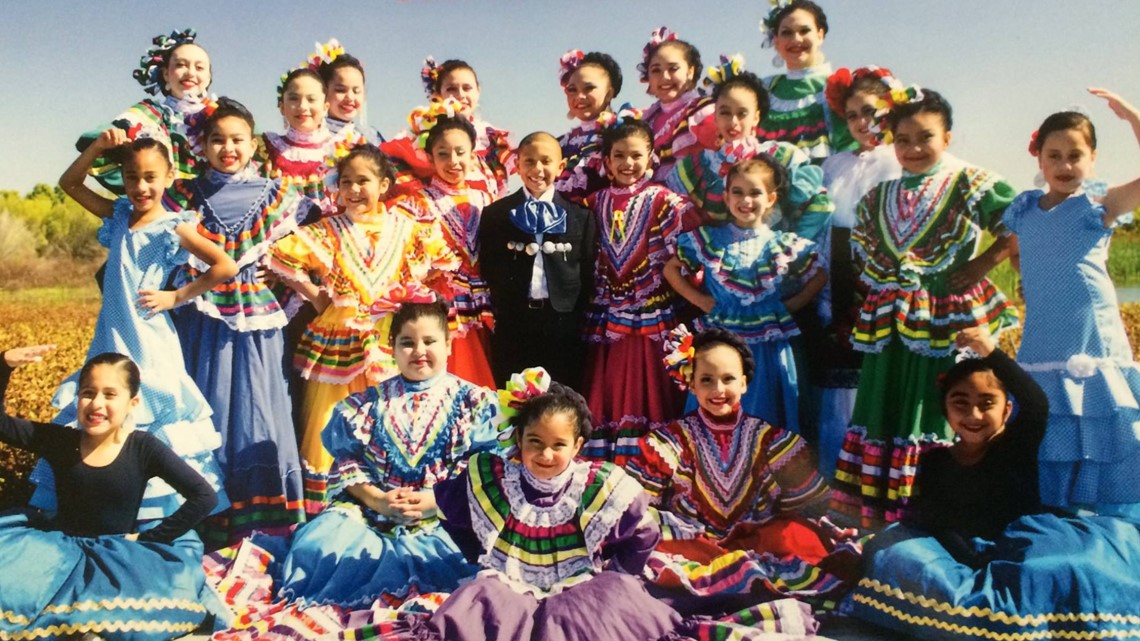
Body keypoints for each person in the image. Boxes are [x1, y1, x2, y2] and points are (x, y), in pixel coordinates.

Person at [847, 327, 1140, 640]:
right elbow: (935, 517)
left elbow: (1036, 402)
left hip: (1030, 540)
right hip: (964, 546)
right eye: (960, 403)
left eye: (987, 403)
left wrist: (990, 352)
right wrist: (968, 555)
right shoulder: (934, 461)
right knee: (892, 554)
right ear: (945, 409)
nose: (973, 414)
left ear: (1007, 410)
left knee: (1058, 568)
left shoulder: (1016, 446)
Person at [831, 88, 1019, 526]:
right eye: (903, 140)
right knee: (884, 402)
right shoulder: (879, 196)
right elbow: (862, 254)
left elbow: (1020, 225)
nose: (913, 149)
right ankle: (879, 511)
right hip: (891, 320)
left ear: (947, 138)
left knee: (938, 399)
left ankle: (943, 507)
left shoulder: (968, 183)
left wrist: (983, 262)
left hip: (943, 315)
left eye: (925, 137)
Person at [31, 130, 234, 520]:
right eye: (131, 177)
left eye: (150, 177)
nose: (141, 187)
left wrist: (176, 296)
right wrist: (98, 149)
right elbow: (69, 183)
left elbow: (224, 265)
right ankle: (94, 502)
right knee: (99, 405)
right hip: (111, 333)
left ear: (168, 177)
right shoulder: (120, 213)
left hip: (148, 338)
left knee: (150, 413)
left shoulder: (173, 226)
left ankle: (152, 512)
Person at [414, 368, 680, 641]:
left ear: (576, 446)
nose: (546, 454)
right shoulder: (496, 480)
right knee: (475, 615)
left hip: (582, 592)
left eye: (558, 444)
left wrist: (614, 572)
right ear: (519, 438)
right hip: (505, 589)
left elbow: (644, 531)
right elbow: (449, 509)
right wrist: (479, 551)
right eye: (535, 442)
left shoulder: (594, 485)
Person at [269, 144, 458, 515]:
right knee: (332, 416)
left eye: (363, 181)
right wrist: (315, 295)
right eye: (346, 182)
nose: (354, 190)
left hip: (390, 338)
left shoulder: (406, 227)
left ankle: (394, 496)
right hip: (340, 336)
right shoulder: (327, 230)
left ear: (384, 184)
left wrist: (410, 297)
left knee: (394, 412)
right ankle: (334, 505)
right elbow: (280, 256)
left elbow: (441, 263)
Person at [276, 300, 502, 607]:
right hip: (375, 513)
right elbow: (347, 464)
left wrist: (436, 501)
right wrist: (377, 500)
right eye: (407, 343)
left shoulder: (474, 403)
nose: (419, 351)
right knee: (322, 550)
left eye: (430, 341)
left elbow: (485, 468)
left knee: (471, 559)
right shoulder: (368, 404)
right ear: (391, 348)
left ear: (448, 345)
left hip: (447, 510)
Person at [629, 328, 860, 614]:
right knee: (651, 547)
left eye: (728, 379)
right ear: (691, 385)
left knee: (798, 537)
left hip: (758, 538)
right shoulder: (669, 443)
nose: (718, 390)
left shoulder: (771, 440)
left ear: (745, 383)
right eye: (706, 380)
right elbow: (639, 504)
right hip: (694, 542)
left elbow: (802, 502)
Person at [0, 346, 219, 641]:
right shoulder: (60, 440)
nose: (96, 404)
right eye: (88, 393)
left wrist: (151, 539)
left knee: (133, 612)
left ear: (133, 402)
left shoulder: (143, 447)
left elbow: (204, 496)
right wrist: (4, 365)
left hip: (118, 556)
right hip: (57, 552)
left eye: (110, 394)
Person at [168, 99, 313, 539]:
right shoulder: (184, 194)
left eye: (237, 140)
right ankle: (207, 511)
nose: (227, 148)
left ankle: (267, 515)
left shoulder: (279, 196)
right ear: (203, 145)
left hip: (258, 318)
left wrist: (285, 271)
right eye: (217, 140)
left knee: (259, 408)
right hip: (201, 317)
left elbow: (323, 237)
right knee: (206, 403)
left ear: (253, 144)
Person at [1004, 89, 1140, 520]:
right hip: (1043, 335)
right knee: (1049, 423)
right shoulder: (1023, 210)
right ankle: (1055, 513)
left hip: (1090, 335)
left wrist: (1131, 116)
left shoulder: (1098, 204)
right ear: (1039, 160)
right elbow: (1019, 254)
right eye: (1055, 155)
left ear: (1093, 158)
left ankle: (1106, 516)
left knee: (1098, 421)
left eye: (1075, 155)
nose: (1065, 166)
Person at [665, 157, 826, 429]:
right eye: (738, 192)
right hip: (721, 341)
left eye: (755, 193)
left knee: (764, 409)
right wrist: (701, 300)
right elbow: (671, 270)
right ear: (726, 197)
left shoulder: (782, 244)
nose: (746, 200)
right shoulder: (711, 239)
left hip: (767, 346)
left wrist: (791, 305)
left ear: (771, 199)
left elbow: (820, 275)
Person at [580, 111, 694, 464]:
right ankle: (608, 456)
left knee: (649, 382)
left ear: (650, 157)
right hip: (607, 311)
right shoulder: (592, 203)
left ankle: (650, 461)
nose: (628, 163)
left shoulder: (665, 200)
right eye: (619, 156)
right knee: (609, 384)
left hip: (651, 310)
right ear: (607, 161)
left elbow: (688, 247)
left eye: (636, 155)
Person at [816, 66, 904, 478]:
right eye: (852, 115)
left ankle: (885, 471)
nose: (862, 123)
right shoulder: (833, 165)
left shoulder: (900, 158)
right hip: (840, 273)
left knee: (884, 369)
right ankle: (841, 472)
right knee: (842, 374)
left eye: (870, 111)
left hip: (885, 272)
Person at [665, 55, 833, 241]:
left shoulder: (781, 156)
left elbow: (821, 204)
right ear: (715, 116)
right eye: (725, 113)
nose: (733, 122)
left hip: (772, 262)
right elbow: (670, 211)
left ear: (756, 117)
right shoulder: (699, 165)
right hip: (717, 262)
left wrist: (794, 246)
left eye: (742, 113)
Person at [479, 132, 597, 390]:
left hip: (562, 326)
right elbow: (489, 266)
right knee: (514, 396)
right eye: (529, 162)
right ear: (517, 166)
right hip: (514, 323)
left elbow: (586, 271)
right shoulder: (496, 214)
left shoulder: (580, 215)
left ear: (561, 166)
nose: (538, 169)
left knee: (563, 396)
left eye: (546, 161)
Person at [392, 100, 497, 389]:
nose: (453, 161)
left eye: (461, 152)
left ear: (473, 156)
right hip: (444, 303)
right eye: (443, 153)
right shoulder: (417, 202)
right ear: (429, 157)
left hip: (484, 302)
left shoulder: (485, 198)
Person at [77, 28, 214, 196]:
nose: (191, 72)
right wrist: (137, 186)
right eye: (180, 65)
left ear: (208, 78)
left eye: (199, 67)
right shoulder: (146, 115)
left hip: (209, 214)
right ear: (165, 74)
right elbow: (95, 145)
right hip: (160, 215)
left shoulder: (220, 118)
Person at [756, 0, 855, 161]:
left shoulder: (841, 86)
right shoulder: (765, 90)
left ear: (820, 35)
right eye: (787, 32)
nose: (796, 39)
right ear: (776, 41)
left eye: (804, 30)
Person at [419, 57, 514, 198]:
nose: (460, 95)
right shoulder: (422, 134)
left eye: (467, 88)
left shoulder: (490, 136)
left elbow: (521, 164)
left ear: (478, 90)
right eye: (451, 89)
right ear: (438, 94)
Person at [257, 66, 338, 217]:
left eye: (311, 99)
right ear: (282, 107)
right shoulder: (266, 149)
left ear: (325, 107)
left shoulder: (340, 151)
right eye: (294, 98)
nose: (302, 106)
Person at [554, 50, 623, 204]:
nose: (579, 96)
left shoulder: (623, 131)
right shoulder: (562, 143)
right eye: (572, 90)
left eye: (588, 88)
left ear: (609, 93)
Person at [638, 27, 706, 177]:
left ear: (690, 72)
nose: (665, 77)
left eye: (673, 69)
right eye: (656, 70)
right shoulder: (648, 119)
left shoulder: (702, 110)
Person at [313, 39, 385, 145]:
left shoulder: (372, 138)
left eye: (356, 91)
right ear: (324, 92)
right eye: (340, 90)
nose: (350, 97)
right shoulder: (311, 136)